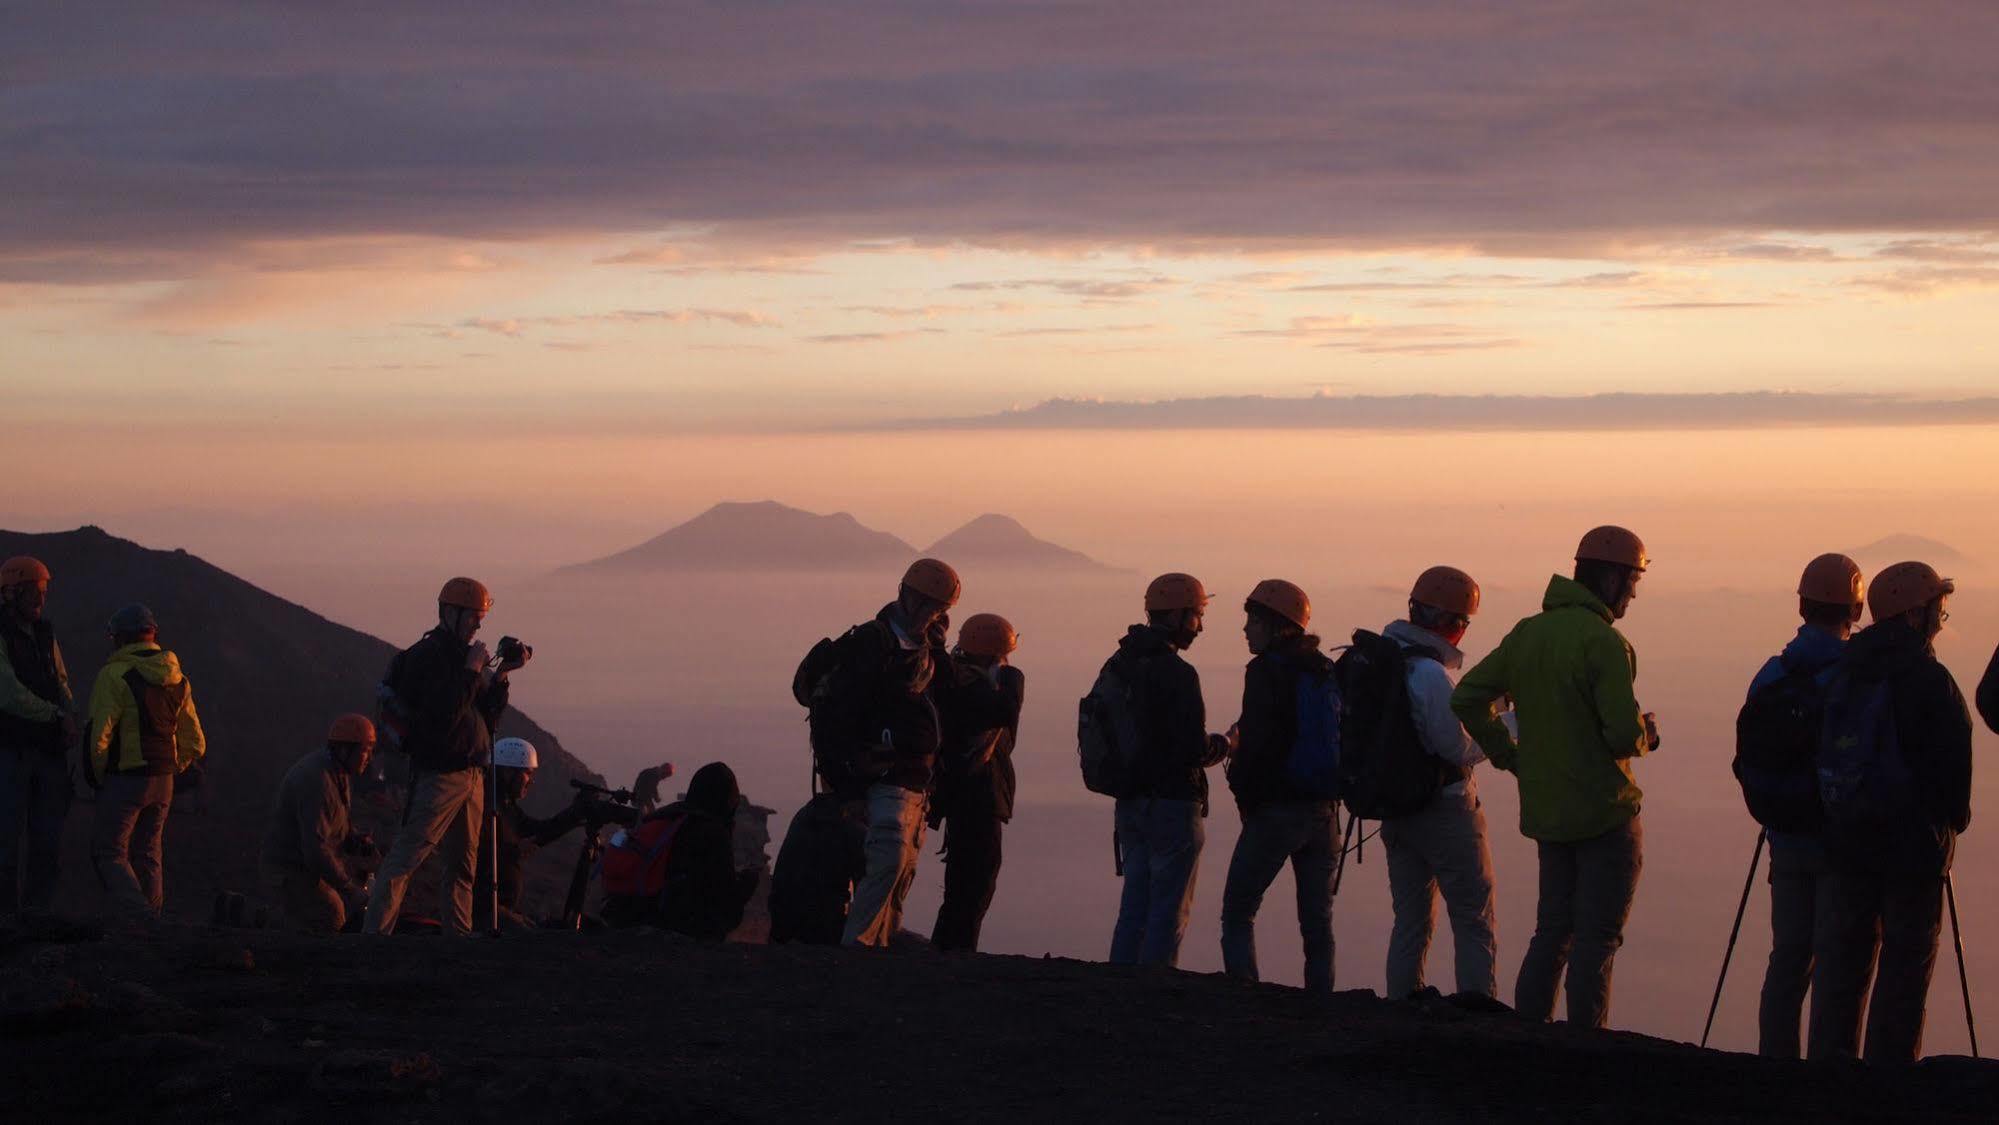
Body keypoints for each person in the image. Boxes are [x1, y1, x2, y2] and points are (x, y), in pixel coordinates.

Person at [1451, 526, 1658, 1028]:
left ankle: (1530, 1035)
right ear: (1609, 578)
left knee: (1552, 933)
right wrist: (1645, 735)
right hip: (1606, 813)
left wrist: (1512, 757)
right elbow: (1619, 735)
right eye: (1631, 580)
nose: (1633, 591)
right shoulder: (1605, 643)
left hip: (1549, 811)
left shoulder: (1529, 633)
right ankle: (1585, 1047)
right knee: (1597, 940)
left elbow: (1467, 698)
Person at [1807, 561, 1973, 1065]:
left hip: (1847, 841)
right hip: (1913, 851)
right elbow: (1954, 771)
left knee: (1844, 964)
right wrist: (1951, 824)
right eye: (1937, 608)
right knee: (1903, 966)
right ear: (1916, 613)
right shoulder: (1929, 679)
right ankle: (1889, 1080)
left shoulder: (1846, 670)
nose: (1941, 618)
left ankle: (1828, 1071)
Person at [1741, 553, 1863, 1058]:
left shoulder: (1772, 674)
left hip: (1784, 833)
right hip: (1839, 839)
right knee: (1835, 962)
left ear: (1802, 603)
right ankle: (1827, 1072)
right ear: (1854, 612)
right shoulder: (1855, 678)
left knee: (1788, 956)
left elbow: (1748, 754)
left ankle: (1775, 1063)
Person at [363, 577, 526, 936]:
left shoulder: (458, 657)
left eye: (480, 616)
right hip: (439, 775)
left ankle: (458, 940)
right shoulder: (428, 657)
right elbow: (443, 717)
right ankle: (373, 937)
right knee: (407, 859)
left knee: (462, 868)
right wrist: (471, 671)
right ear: (450, 613)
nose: (478, 624)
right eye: (472, 616)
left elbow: (484, 717)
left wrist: (499, 676)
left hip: (471, 774)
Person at [1379, 566, 1499, 1002]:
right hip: (1445, 811)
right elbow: (1459, 748)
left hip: (1395, 808)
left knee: (1410, 918)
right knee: (1473, 916)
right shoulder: (1430, 674)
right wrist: (1507, 724)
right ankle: (1475, 1008)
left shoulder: (1385, 659)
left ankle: (1401, 1002)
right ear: (1455, 624)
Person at [830, 558, 959, 948]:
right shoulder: (872, 644)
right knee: (889, 861)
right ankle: (858, 949)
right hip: (883, 778)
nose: (928, 613)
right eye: (924, 603)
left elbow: (947, 698)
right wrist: (849, 788)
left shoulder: (927, 652)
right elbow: (840, 715)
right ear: (904, 594)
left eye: (936, 607)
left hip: (917, 781)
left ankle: (880, 946)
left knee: (902, 873)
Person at [1218, 579, 1337, 994]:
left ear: (1276, 625)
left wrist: (1244, 796)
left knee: (1238, 911)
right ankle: (1320, 1002)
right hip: (1324, 810)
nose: (1246, 629)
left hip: (1276, 812)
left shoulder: (1267, 671)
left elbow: (1261, 747)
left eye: (1253, 620)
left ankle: (1243, 994)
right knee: (1317, 921)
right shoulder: (1324, 669)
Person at [1107, 573, 1231, 968]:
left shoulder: (1120, 663)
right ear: (1177, 614)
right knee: (1168, 909)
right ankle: (1155, 989)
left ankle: (1121, 982)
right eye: (1196, 615)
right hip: (1173, 804)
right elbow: (1191, 749)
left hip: (1130, 801)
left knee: (1135, 905)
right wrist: (1226, 745)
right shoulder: (1177, 673)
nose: (1200, 625)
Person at [85, 603, 206, 918]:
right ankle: (154, 925)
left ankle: (140, 918)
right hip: (163, 780)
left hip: (125, 779)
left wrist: (98, 777)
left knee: (109, 852)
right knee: (149, 853)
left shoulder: (114, 674)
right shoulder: (179, 679)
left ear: (121, 639)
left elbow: (99, 736)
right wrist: (170, 768)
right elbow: (195, 742)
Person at [929, 612, 1026, 953]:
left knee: (966, 887)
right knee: (972, 886)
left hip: (969, 800)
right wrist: (1012, 678)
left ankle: (951, 950)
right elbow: (1005, 713)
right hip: (976, 803)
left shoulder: (961, 681)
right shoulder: (971, 688)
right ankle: (954, 954)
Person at [0, 556, 76, 915]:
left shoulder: (45, 632)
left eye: (43, 592)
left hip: (47, 751)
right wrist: (56, 715)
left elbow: (60, 679)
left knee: (47, 840)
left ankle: (35, 915)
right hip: (11, 749)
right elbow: (7, 692)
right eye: (33, 592)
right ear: (12, 592)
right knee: (6, 839)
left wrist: (68, 713)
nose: (40, 600)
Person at [262, 714, 380, 933]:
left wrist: (353, 838)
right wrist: (348, 887)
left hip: (304, 865)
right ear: (345, 750)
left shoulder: (338, 772)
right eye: (365, 750)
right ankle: (262, 921)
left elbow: (332, 823)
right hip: (290, 870)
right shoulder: (318, 782)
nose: (369, 757)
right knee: (332, 914)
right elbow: (316, 850)